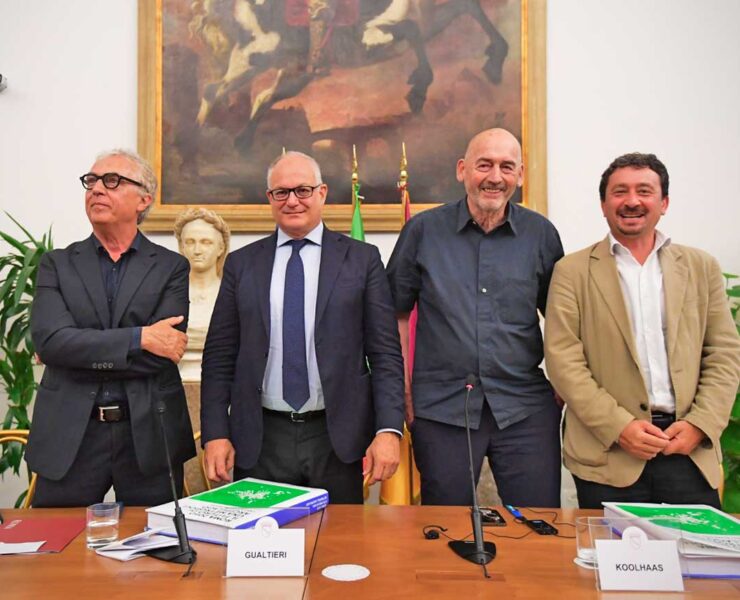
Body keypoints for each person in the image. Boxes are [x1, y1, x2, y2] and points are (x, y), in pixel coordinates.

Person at [200, 151, 404, 503]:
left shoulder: (362, 259)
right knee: (262, 537)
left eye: (303, 190)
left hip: (337, 437)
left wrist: (388, 430)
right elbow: (219, 356)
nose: (292, 200)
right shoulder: (241, 264)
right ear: (270, 198)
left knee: (338, 536)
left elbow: (385, 354)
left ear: (322, 193)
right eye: (281, 192)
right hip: (261, 437)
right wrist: (215, 433)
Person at [544, 152, 740, 509]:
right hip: (609, 455)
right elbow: (564, 363)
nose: (632, 201)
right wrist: (620, 427)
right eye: (620, 192)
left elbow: (724, 354)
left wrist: (700, 424)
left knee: (695, 547)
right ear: (603, 205)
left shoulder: (701, 267)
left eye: (644, 191)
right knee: (606, 547)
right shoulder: (571, 272)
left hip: (687, 449)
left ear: (664, 203)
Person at [386, 128, 564, 507]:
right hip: (442, 408)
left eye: (507, 167)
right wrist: (403, 388)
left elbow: (563, 319)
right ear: (462, 170)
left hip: (524, 408)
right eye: (484, 165)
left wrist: (564, 385)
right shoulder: (423, 231)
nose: (495, 177)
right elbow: (396, 315)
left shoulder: (541, 235)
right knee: (446, 528)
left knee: (540, 525)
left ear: (520, 175)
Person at [27, 149, 195, 507]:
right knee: (56, 539)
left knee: (155, 539)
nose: (97, 189)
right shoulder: (57, 264)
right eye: (91, 181)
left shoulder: (171, 267)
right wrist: (140, 337)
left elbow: (163, 355)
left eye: (112, 181)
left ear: (143, 200)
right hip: (69, 433)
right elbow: (51, 343)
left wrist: (81, 350)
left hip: (148, 434)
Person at [174, 208, 230, 382]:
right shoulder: (168, 294)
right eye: (190, 242)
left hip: (219, 376)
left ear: (221, 248)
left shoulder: (232, 294)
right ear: (182, 247)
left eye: (206, 242)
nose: (197, 250)